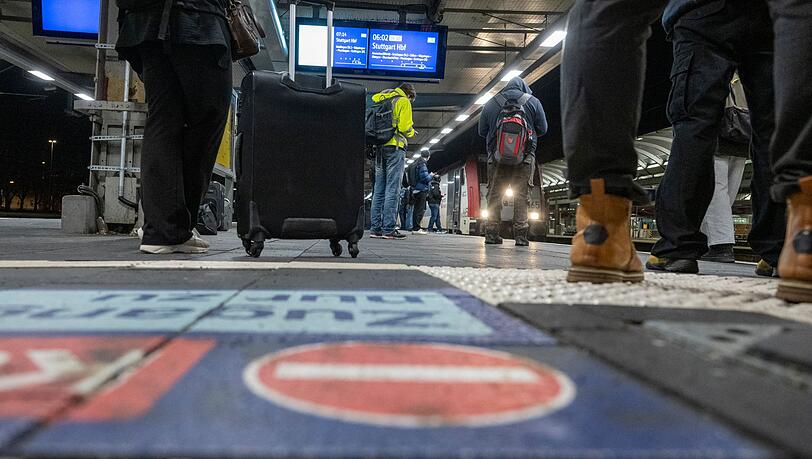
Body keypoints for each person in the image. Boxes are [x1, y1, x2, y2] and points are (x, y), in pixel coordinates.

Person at [561, 0, 812, 303]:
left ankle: (607, 233)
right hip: (768, 20)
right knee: (773, 124)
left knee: (607, 12)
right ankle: (796, 241)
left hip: (701, 14)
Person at [644, 3, 786, 274]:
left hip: (702, 13)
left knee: (694, 124)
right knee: (774, 130)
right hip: (771, 16)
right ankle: (779, 250)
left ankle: (678, 248)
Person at [116, 0, 232, 254]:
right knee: (209, 119)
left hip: (144, 21)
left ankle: (160, 230)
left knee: (163, 120)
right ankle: (175, 225)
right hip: (197, 19)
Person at [478, 76, 548, 247]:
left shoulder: (492, 102)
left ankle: (492, 234)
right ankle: (521, 237)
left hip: (496, 158)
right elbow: (543, 129)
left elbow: (481, 131)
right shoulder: (533, 102)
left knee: (494, 195)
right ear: (523, 87)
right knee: (521, 197)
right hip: (525, 159)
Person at [369, 83, 417, 240]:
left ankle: (375, 229)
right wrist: (411, 132)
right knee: (393, 189)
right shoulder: (403, 101)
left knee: (378, 189)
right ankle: (388, 228)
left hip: (379, 147)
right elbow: (404, 127)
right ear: (408, 94)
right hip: (395, 147)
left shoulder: (379, 99)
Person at [410, 151, 433, 235]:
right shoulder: (422, 164)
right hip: (421, 189)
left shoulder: (416, 163)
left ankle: (415, 227)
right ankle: (416, 228)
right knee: (420, 209)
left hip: (415, 189)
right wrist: (431, 175)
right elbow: (425, 178)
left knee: (416, 209)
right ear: (428, 156)